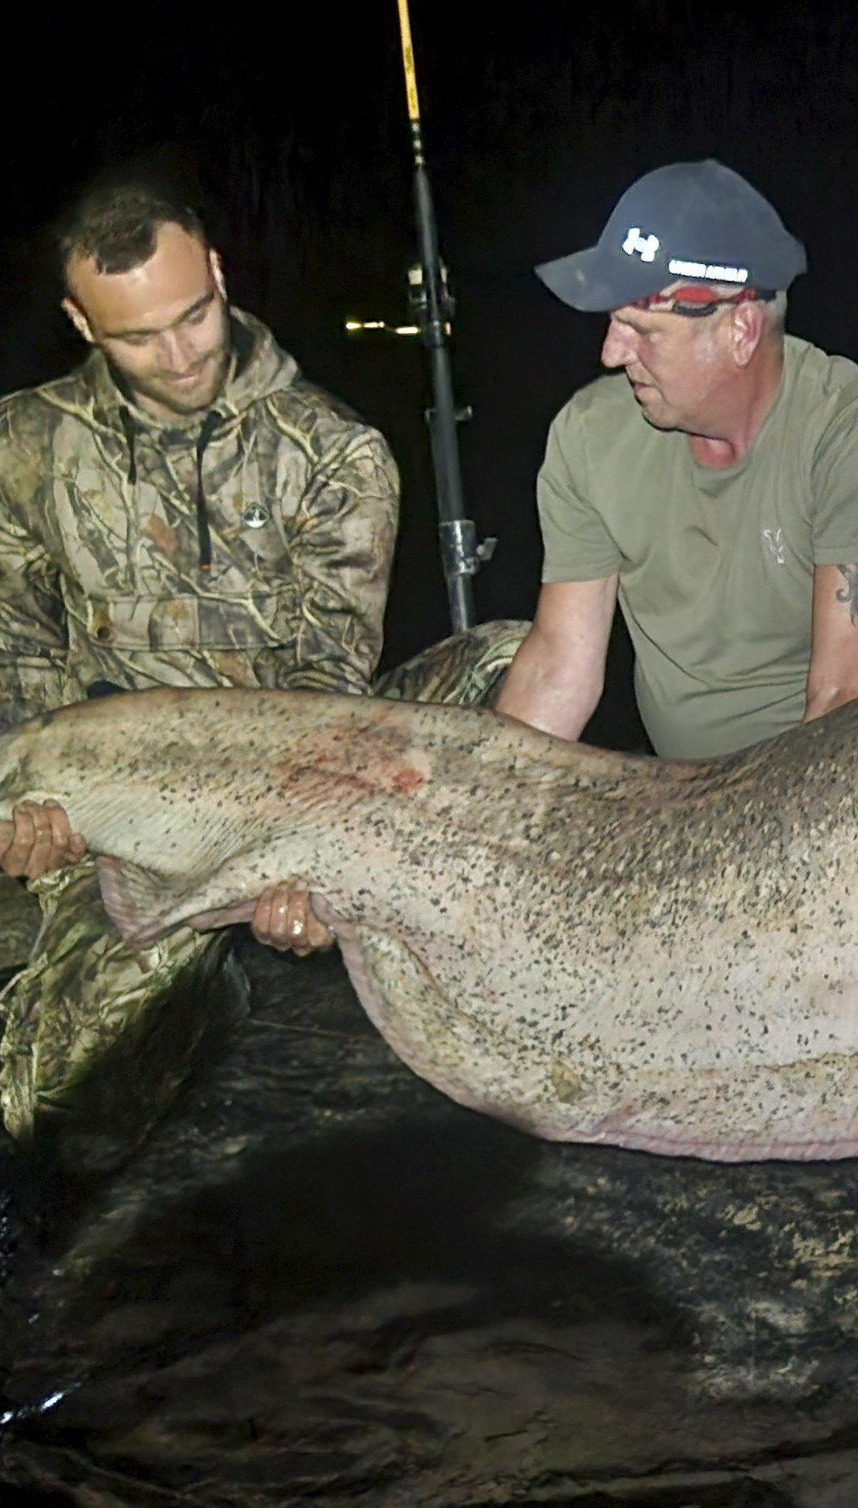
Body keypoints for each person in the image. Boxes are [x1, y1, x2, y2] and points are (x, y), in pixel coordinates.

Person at [0, 180, 400, 1178]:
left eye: (196, 315)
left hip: (286, 775)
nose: (182, 357)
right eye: (139, 337)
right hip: (118, 806)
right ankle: (201, 975)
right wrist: (33, 811)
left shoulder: (337, 453)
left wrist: (299, 853)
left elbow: (328, 686)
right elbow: (20, 659)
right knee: (56, 1111)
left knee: (493, 661)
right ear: (79, 322)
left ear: (220, 274)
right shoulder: (19, 448)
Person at [496, 161, 858, 758]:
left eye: (642, 332)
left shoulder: (855, 429)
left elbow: (842, 699)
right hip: (693, 794)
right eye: (612, 325)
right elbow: (559, 668)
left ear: (740, 330)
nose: (610, 354)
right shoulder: (588, 437)